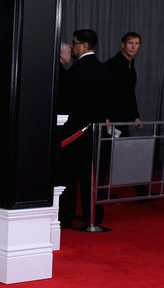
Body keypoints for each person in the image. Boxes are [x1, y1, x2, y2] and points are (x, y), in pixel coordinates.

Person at [58, 29, 110, 228]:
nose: (73, 47)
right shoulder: (104, 69)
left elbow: (66, 103)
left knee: (69, 178)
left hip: (75, 132)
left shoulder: (75, 72)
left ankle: (66, 217)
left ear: (84, 46)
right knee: (91, 177)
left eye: (75, 43)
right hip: (96, 132)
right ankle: (93, 216)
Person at [105, 32, 148, 198]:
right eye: (130, 43)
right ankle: (140, 191)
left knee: (122, 154)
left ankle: (140, 191)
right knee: (109, 155)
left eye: (137, 43)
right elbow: (105, 92)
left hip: (121, 117)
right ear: (123, 44)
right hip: (111, 119)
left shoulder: (130, 63)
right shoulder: (114, 64)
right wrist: (106, 117)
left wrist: (135, 115)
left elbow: (129, 94)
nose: (133, 47)